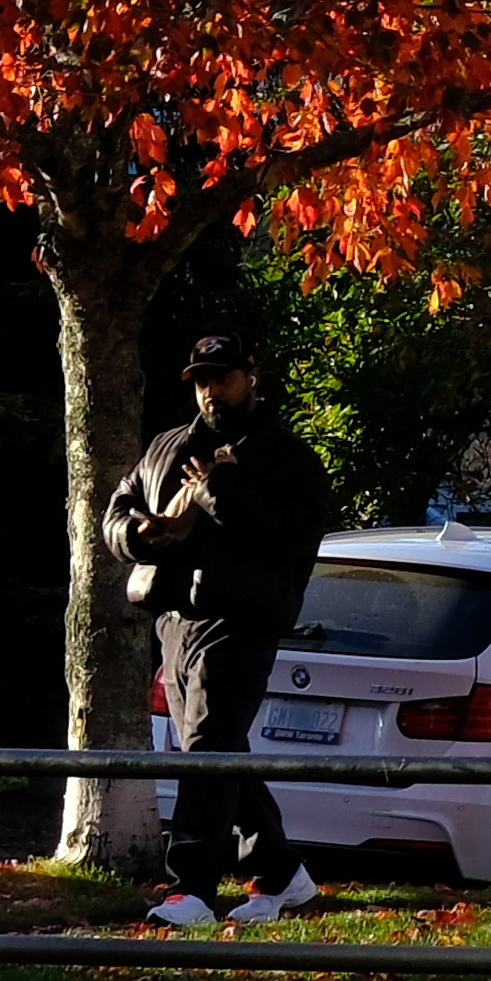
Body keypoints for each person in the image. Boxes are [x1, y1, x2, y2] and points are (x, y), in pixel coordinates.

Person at [109, 330, 343, 929]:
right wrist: (139, 534)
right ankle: (284, 875)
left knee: (207, 754)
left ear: (251, 376)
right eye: (202, 381)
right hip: (175, 622)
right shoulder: (167, 447)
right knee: (215, 752)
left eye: (223, 377)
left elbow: (294, 538)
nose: (212, 392)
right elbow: (118, 509)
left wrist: (219, 491)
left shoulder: (286, 458)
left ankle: (190, 891)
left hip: (242, 620)